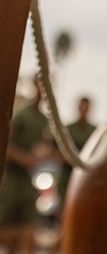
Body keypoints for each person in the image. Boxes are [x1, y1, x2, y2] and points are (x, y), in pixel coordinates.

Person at [0, 78, 51, 254]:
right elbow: (5, 143)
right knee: (7, 231)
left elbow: (44, 145)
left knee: (29, 229)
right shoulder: (21, 115)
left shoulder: (43, 119)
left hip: (27, 180)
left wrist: (39, 156)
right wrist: (25, 159)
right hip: (10, 178)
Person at [56, 96, 97, 207]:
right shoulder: (68, 129)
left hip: (86, 179)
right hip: (67, 178)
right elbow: (53, 150)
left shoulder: (94, 130)